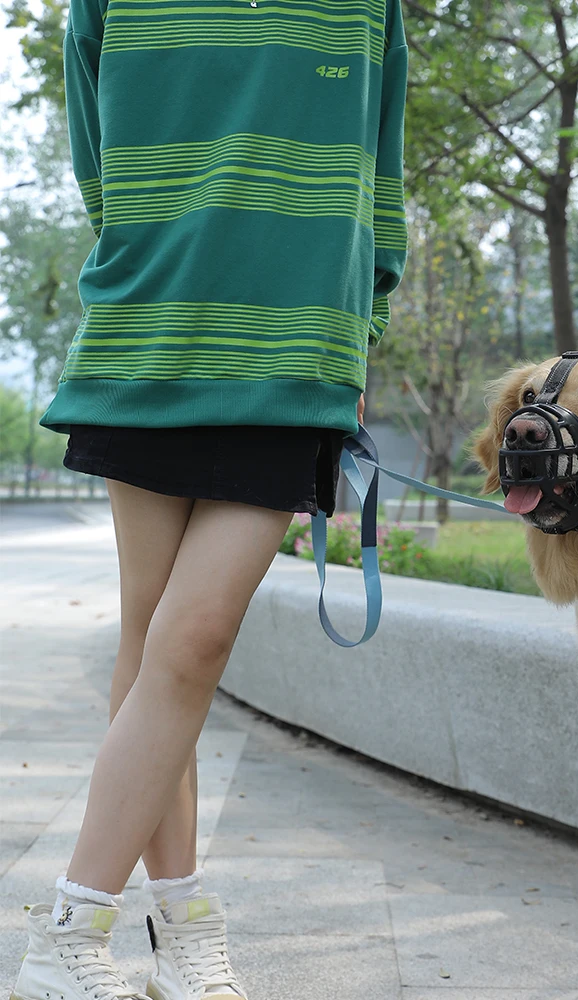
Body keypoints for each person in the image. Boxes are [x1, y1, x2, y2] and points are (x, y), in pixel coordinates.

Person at [11, 0, 408, 996]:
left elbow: (380, 156)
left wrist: (361, 318)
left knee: (192, 638)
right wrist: (151, 250)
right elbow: (97, 155)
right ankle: (180, 930)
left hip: (293, 346)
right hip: (150, 323)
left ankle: (68, 935)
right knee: (153, 637)